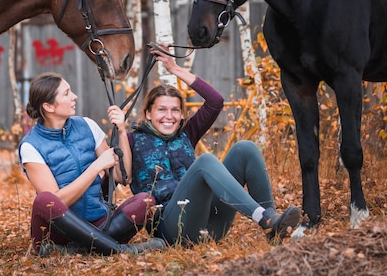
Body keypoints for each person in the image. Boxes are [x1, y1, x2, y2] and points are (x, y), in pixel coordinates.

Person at [127, 44, 301, 246]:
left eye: (175, 110)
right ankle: (264, 218)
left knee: (245, 148)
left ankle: (272, 225)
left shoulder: (186, 133)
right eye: (161, 110)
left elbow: (215, 101)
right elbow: (114, 178)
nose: (169, 116)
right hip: (173, 230)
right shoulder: (132, 140)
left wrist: (174, 69)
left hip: (210, 226)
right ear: (148, 113)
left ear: (182, 114)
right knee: (206, 161)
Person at [18, 72, 165, 256]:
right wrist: (95, 167)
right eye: (66, 93)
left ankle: (76, 249)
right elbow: (57, 201)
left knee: (146, 201)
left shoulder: (87, 126)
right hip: (58, 231)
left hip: (98, 221)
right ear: (48, 106)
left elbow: (123, 176)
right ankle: (118, 250)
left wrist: (121, 131)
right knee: (44, 200)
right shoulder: (31, 146)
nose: (74, 96)